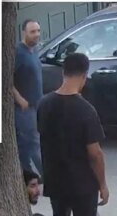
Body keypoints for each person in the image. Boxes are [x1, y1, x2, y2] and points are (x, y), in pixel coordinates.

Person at [38, 53, 108, 216]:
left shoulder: (44, 104)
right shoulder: (86, 111)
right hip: (82, 184)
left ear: (63, 73)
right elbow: (95, 154)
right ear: (84, 76)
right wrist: (102, 185)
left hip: (55, 182)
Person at [14, 19, 44, 176]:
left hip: (37, 105)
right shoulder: (17, 53)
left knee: (26, 145)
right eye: (33, 32)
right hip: (24, 109)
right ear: (24, 33)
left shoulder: (34, 50)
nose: (37, 35)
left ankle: (27, 176)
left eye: (38, 31)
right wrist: (19, 98)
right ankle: (48, 177)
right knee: (32, 143)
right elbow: (6, 80)